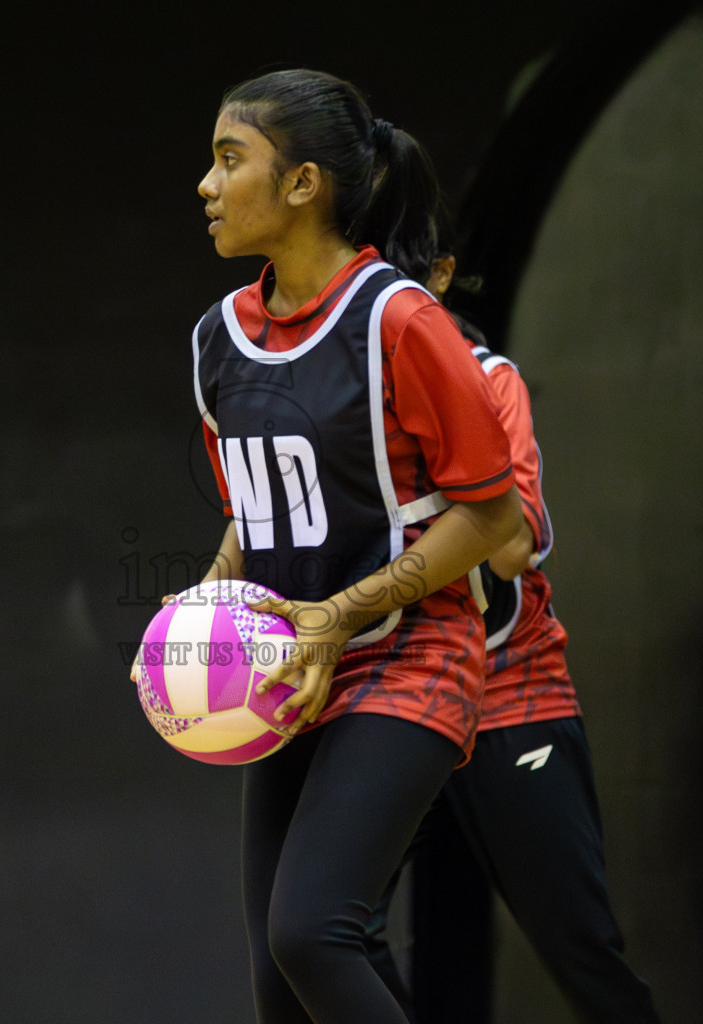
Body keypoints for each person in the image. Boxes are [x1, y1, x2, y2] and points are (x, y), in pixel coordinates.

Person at [187, 69, 528, 1024]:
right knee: (278, 980)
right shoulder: (219, 338)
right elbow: (253, 515)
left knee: (312, 933)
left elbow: (491, 518)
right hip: (293, 667)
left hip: (411, 655)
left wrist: (340, 614)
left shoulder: (400, 319)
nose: (205, 186)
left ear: (302, 184)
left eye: (228, 160)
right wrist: (206, 608)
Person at [371, 239, 663, 1024]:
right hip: (385, 697)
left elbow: (508, 545)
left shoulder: (487, 379)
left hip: (508, 697)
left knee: (578, 946)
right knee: (320, 934)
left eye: (395, 268)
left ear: (437, 273)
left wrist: (442, 441)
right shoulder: (334, 389)